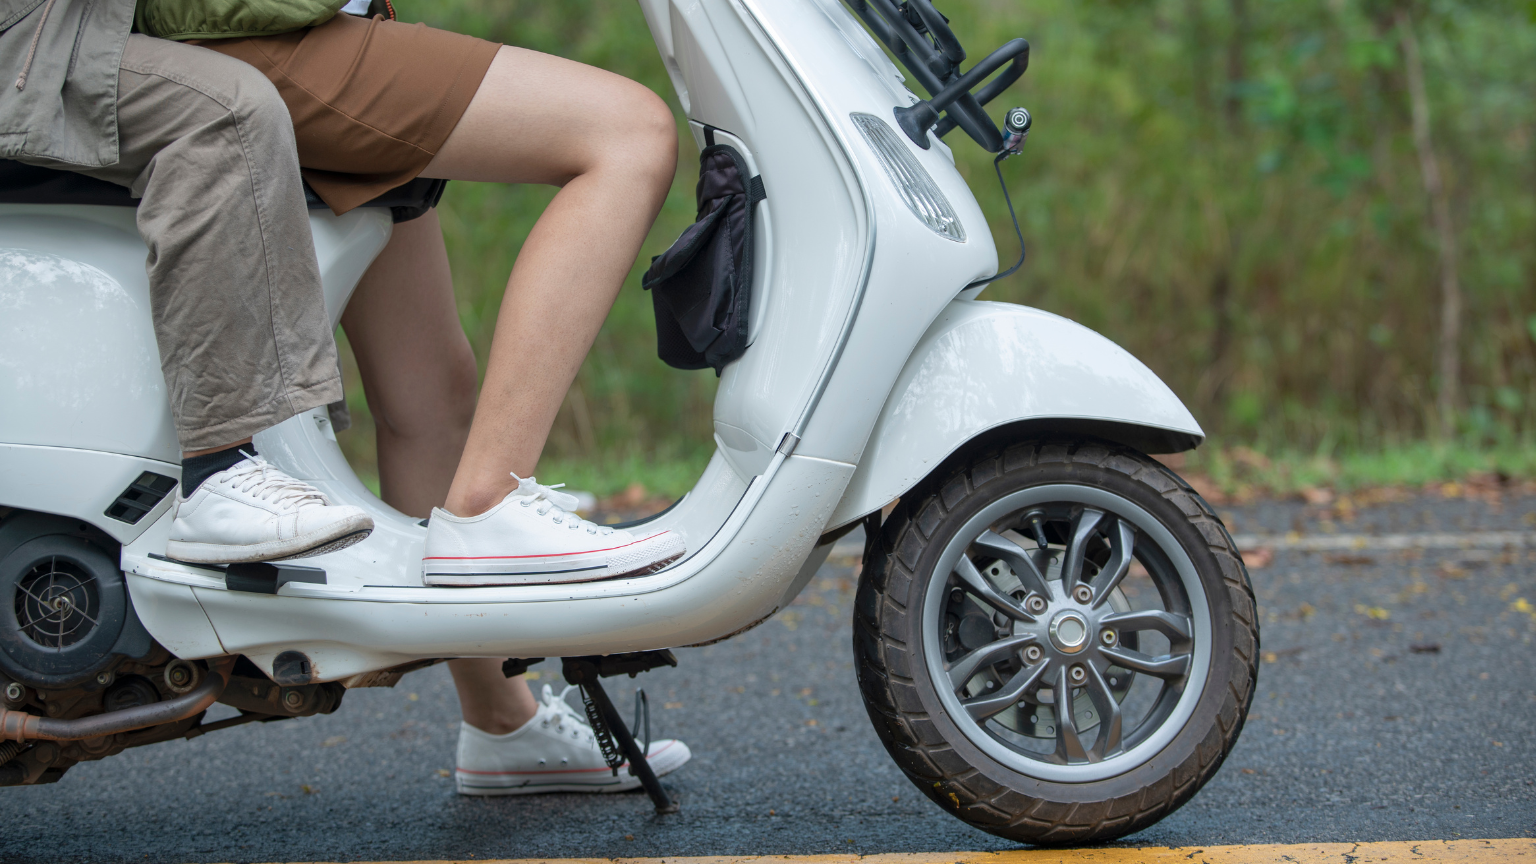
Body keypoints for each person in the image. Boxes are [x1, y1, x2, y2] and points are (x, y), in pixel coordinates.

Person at [179, 6, 693, 793]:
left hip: (322, 20)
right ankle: (489, 507)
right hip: (258, 29)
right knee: (629, 132)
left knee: (432, 395)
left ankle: (503, 722)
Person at [0, 0, 373, 564]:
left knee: (442, 385)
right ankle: (216, 469)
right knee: (227, 110)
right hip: (37, 35)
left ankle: (472, 540)